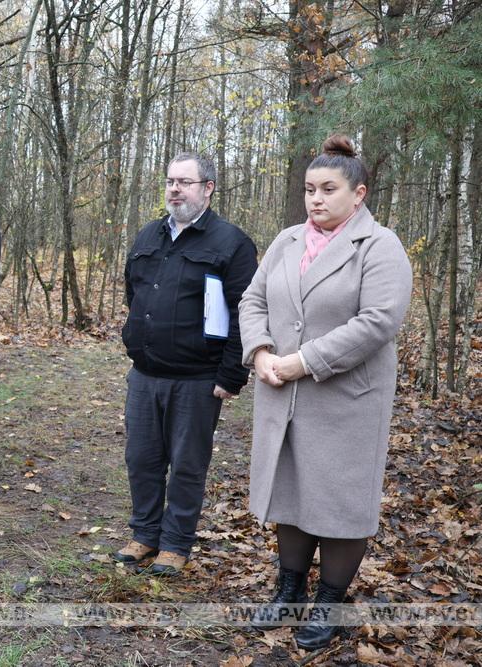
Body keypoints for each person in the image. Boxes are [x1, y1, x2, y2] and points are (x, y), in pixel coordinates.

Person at [239, 135, 412, 649]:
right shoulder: (286, 241)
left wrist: (304, 361)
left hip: (346, 400)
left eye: (328, 189)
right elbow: (253, 300)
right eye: (309, 189)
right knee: (290, 494)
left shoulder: (380, 246)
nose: (315, 199)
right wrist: (263, 351)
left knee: (339, 503)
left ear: (357, 195)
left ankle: (329, 603)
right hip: (282, 394)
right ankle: (288, 592)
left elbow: (379, 321)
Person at [114, 152, 258, 575]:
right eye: (170, 181)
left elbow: (245, 313)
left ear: (208, 188)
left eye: (185, 182)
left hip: (197, 378)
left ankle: (176, 543)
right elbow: (134, 295)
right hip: (145, 373)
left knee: (187, 464)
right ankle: (144, 535)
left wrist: (232, 373)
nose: (175, 189)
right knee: (141, 459)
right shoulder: (148, 236)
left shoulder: (230, 243)